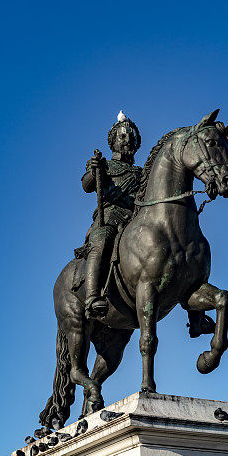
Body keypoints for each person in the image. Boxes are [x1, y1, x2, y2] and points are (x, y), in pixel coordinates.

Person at [81, 111, 142, 318]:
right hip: (110, 217)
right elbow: (87, 185)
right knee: (101, 239)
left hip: (135, 219)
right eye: (123, 137)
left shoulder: (141, 173)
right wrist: (94, 171)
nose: (128, 140)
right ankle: (91, 297)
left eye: (131, 137)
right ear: (113, 141)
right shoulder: (103, 164)